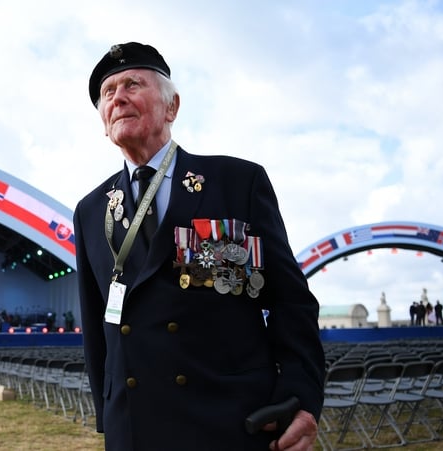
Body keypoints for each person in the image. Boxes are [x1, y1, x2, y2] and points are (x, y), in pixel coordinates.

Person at [74, 42, 325, 450]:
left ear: (172, 107)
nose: (118, 97)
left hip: (229, 422)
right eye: (108, 93)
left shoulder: (237, 184)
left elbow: (291, 301)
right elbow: (96, 325)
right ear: (104, 122)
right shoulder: (90, 211)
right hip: (136, 428)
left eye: (133, 84)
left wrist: (301, 397)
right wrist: (110, 416)